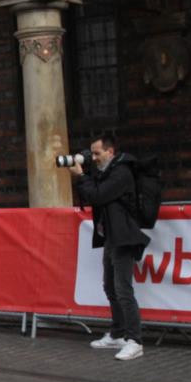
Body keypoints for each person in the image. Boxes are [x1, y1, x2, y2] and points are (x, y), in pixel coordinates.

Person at [69, 133, 150, 361]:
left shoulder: (122, 173)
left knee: (123, 289)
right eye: (91, 153)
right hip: (111, 237)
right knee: (110, 287)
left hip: (123, 237)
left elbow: (97, 195)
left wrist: (81, 176)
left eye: (97, 153)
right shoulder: (107, 172)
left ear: (110, 152)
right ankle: (117, 333)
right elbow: (93, 193)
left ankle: (135, 341)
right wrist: (86, 175)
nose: (93, 157)